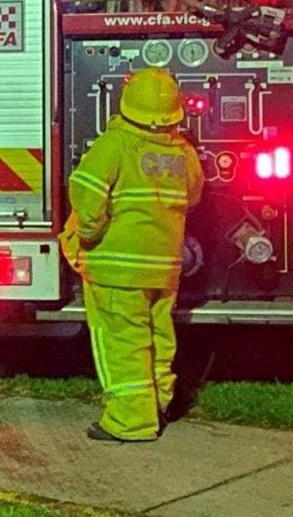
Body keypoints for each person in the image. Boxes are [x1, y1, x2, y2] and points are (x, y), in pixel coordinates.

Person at [59, 67, 204, 442]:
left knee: (122, 343)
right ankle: (159, 404)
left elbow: (86, 191)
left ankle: (130, 422)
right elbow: (193, 197)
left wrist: (88, 235)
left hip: (116, 269)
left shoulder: (116, 143)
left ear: (126, 106)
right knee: (159, 338)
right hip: (165, 268)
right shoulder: (183, 151)